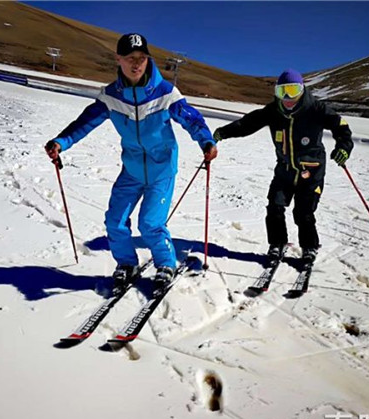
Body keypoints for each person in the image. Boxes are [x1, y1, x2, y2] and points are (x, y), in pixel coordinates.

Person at [45, 33, 217, 288]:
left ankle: (166, 264)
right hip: (132, 169)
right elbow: (84, 123)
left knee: (150, 223)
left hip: (161, 170)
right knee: (114, 220)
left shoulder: (165, 93)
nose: (136, 64)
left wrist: (206, 141)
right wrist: (62, 142)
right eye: (130, 58)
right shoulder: (111, 96)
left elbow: (191, 119)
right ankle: (126, 262)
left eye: (141, 58)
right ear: (118, 59)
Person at [213, 69, 353, 265]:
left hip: (311, 171)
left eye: (293, 91)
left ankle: (309, 247)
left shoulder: (316, 109)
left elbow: (342, 127)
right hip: (285, 171)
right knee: (275, 207)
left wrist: (344, 147)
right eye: (282, 92)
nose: (287, 97)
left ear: (302, 90)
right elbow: (247, 124)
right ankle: (277, 244)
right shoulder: (273, 111)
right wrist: (222, 133)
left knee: (303, 212)